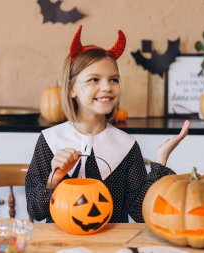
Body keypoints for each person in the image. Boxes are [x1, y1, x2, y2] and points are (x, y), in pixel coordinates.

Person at [25, 26, 190, 223]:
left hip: (113, 244)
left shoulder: (126, 146)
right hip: (62, 244)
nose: (107, 88)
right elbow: (36, 210)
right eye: (94, 79)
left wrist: (160, 161)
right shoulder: (50, 141)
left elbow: (139, 212)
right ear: (71, 89)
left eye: (114, 80)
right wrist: (54, 179)